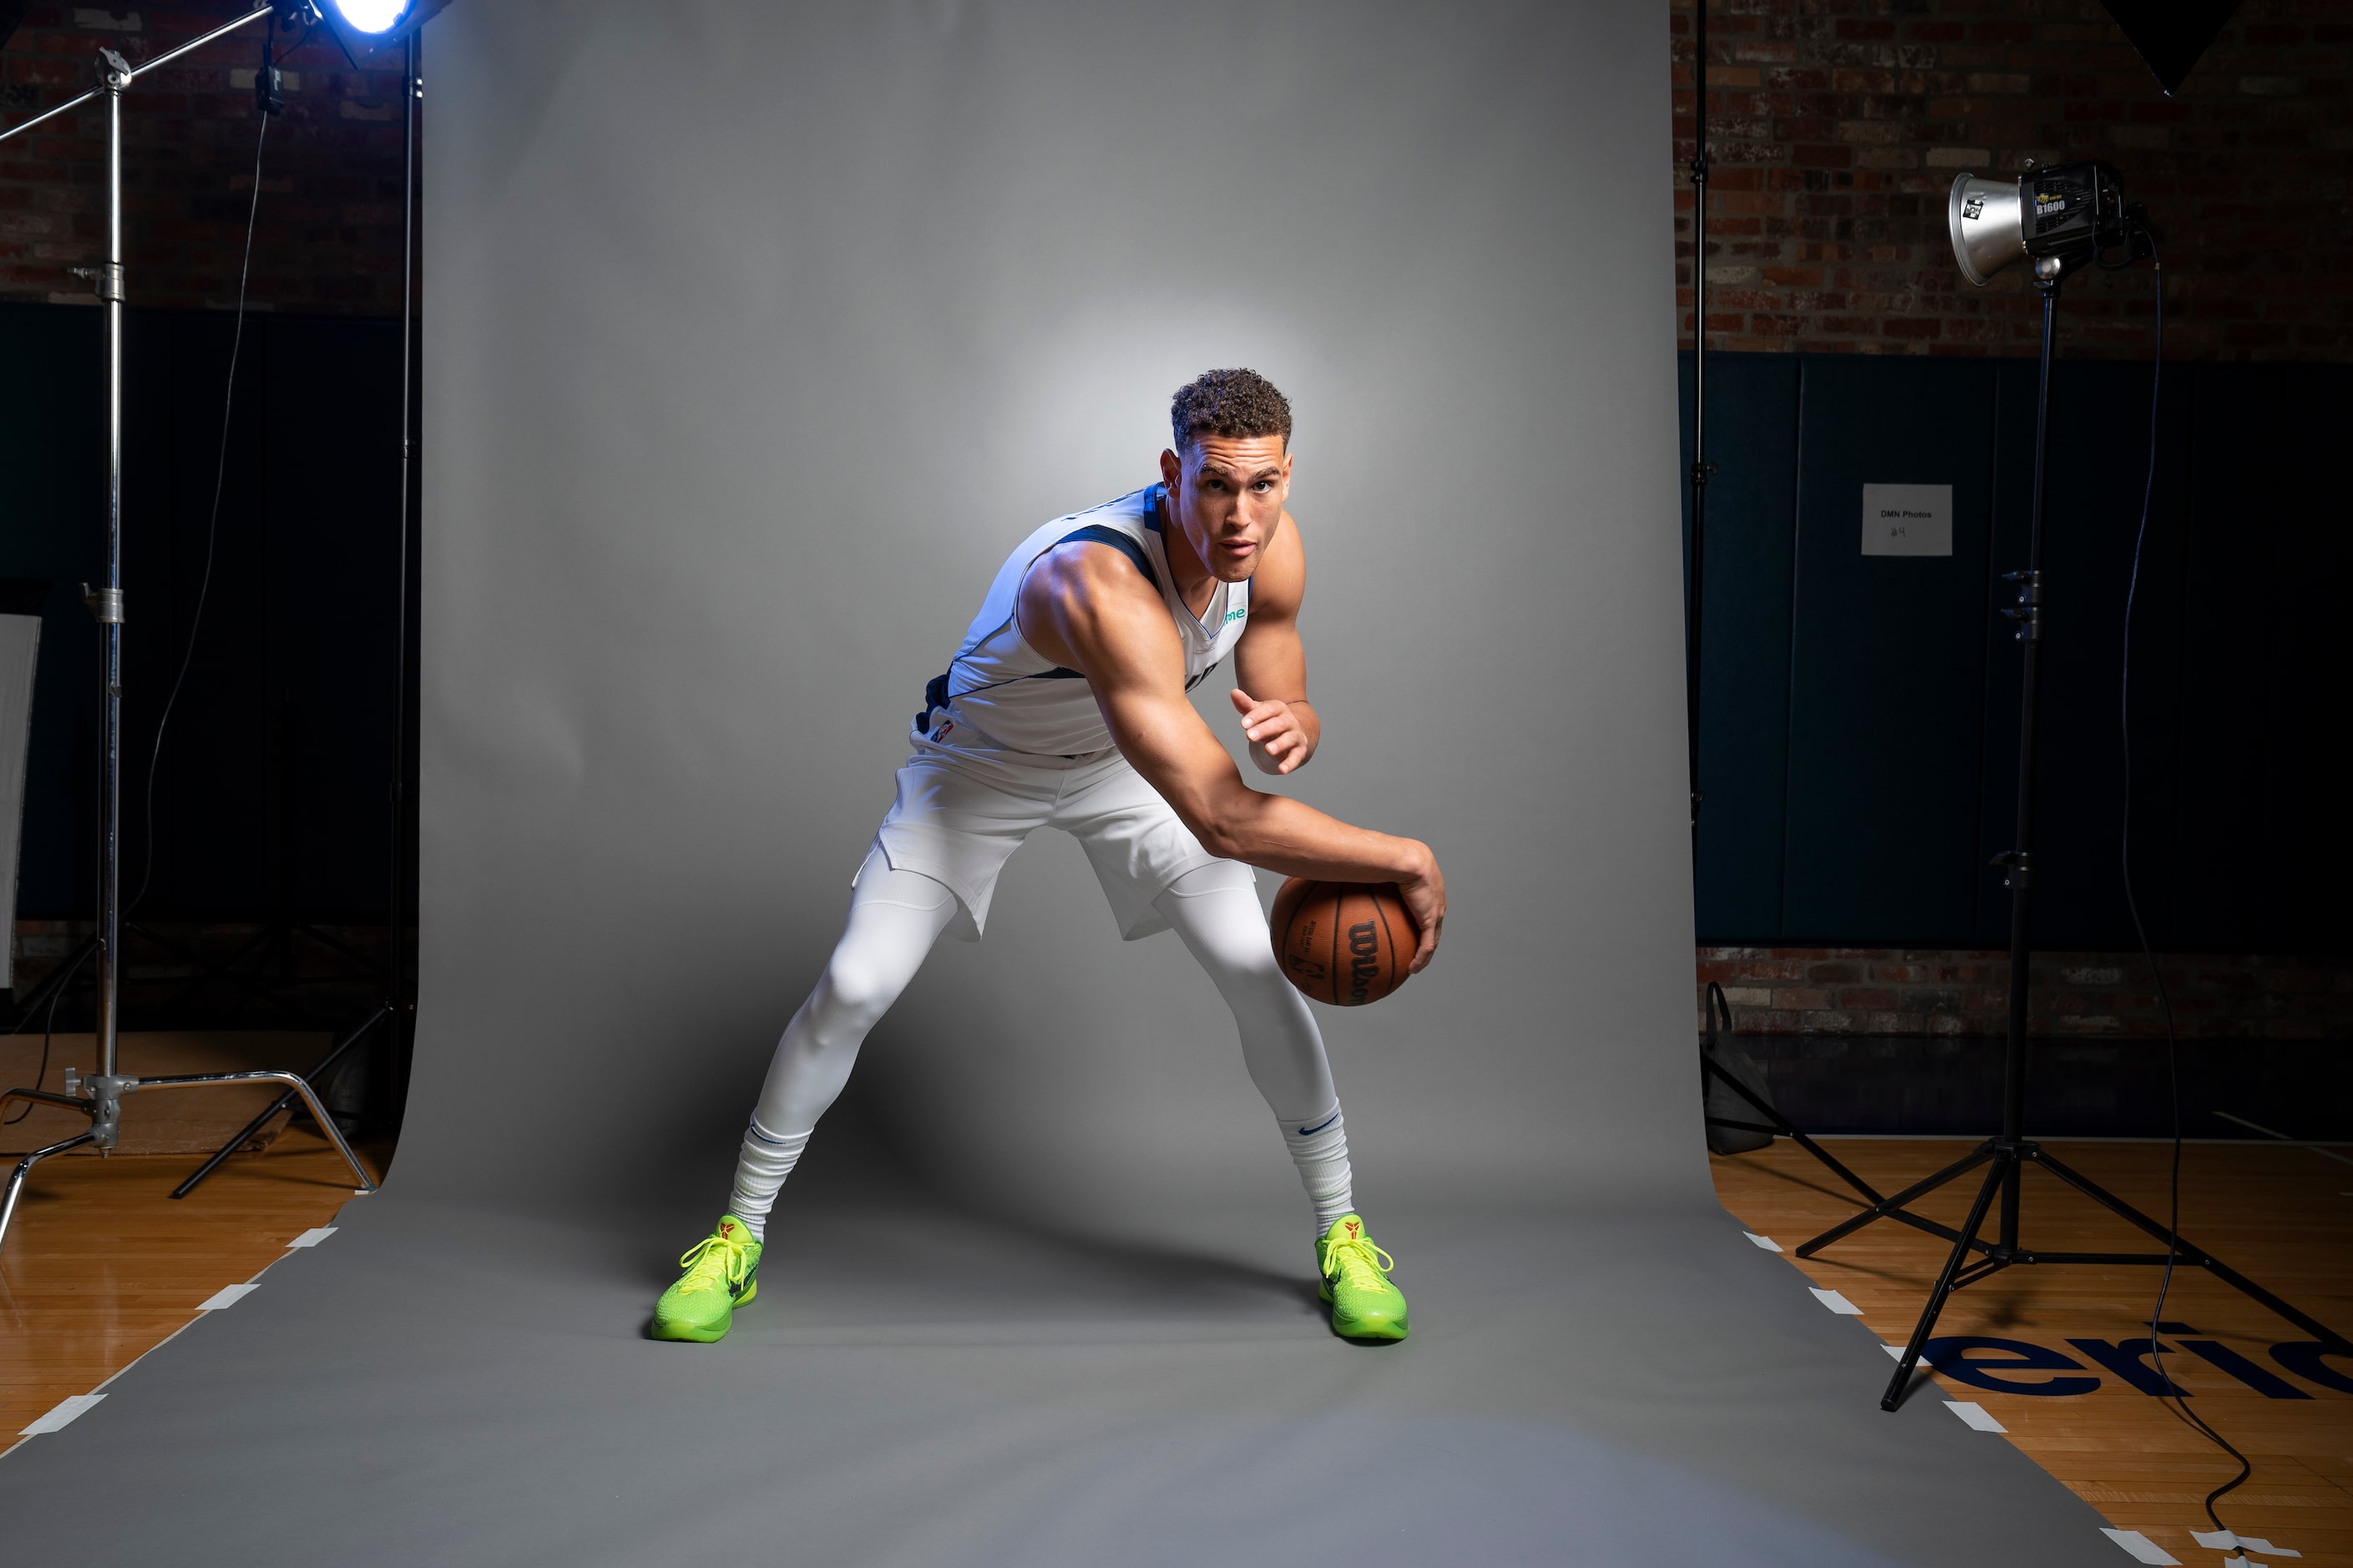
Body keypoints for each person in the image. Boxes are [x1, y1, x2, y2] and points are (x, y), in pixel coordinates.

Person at [652, 368, 1446, 1344]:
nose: (1241, 515)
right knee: (856, 987)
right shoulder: (1095, 581)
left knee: (1256, 973)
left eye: (1263, 486)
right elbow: (1222, 818)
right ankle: (736, 1236)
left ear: (1287, 475)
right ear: (1172, 471)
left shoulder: (1266, 545)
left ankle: (1343, 1234)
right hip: (980, 772)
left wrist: (1301, 720)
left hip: (1124, 768)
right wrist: (1402, 856)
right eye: (1214, 486)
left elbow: (1273, 662)